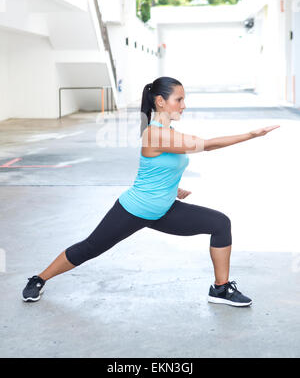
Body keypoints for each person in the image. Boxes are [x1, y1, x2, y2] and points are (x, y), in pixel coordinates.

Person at [22, 76, 280, 306]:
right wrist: (252, 134)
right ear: (160, 101)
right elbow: (208, 145)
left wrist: (173, 187)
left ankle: (221, 289)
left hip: (164, 209)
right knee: (89, 248)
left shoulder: (168, 131)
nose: (184, 105)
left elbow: (159, 167)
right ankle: (39, 278)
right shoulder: (154, 135)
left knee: (221, 224)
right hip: (134, 209)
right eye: (179, 100)